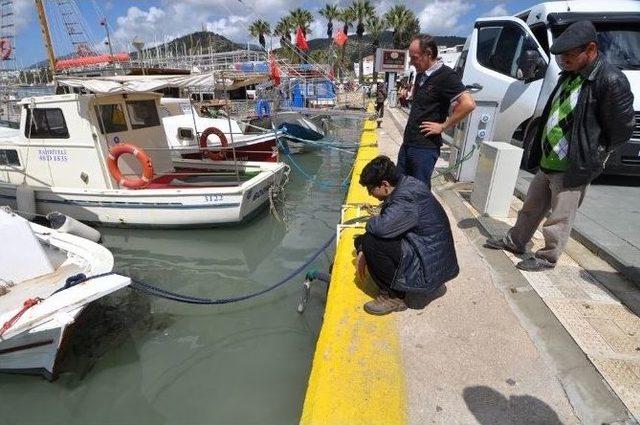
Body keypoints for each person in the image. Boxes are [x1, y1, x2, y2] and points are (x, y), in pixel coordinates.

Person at [484, 21, 634, 271]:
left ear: (591, 49)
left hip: (574, 164)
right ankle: (515, 241)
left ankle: (547, 257)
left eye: (569, 55)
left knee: (559, 217)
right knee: (532, 206)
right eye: (560, 56)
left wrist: (596, 153)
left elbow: (622, 128)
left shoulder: (610, 80)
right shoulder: (569, 75)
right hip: (549, 159)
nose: (563, 60)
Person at [354, 156, 459, 315]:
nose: (370, 195)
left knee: (372, 241)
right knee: (364, 240)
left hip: (428, 268)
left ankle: (393, 297)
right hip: (428, 254)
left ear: (384, 185)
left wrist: (370, 225)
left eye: (370, 189)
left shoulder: (405, 198)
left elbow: (381, 228)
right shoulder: (405, 185)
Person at [400, 34, 476, 190]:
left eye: (414, 58)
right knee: (401, 185)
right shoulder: (421, 74)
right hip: (409, 142)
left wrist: (443, 126)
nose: (411, 62)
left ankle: (422, 215)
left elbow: (468, 104)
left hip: (424, 147)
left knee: (419, 191)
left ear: (428, 54)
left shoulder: (446, 76)